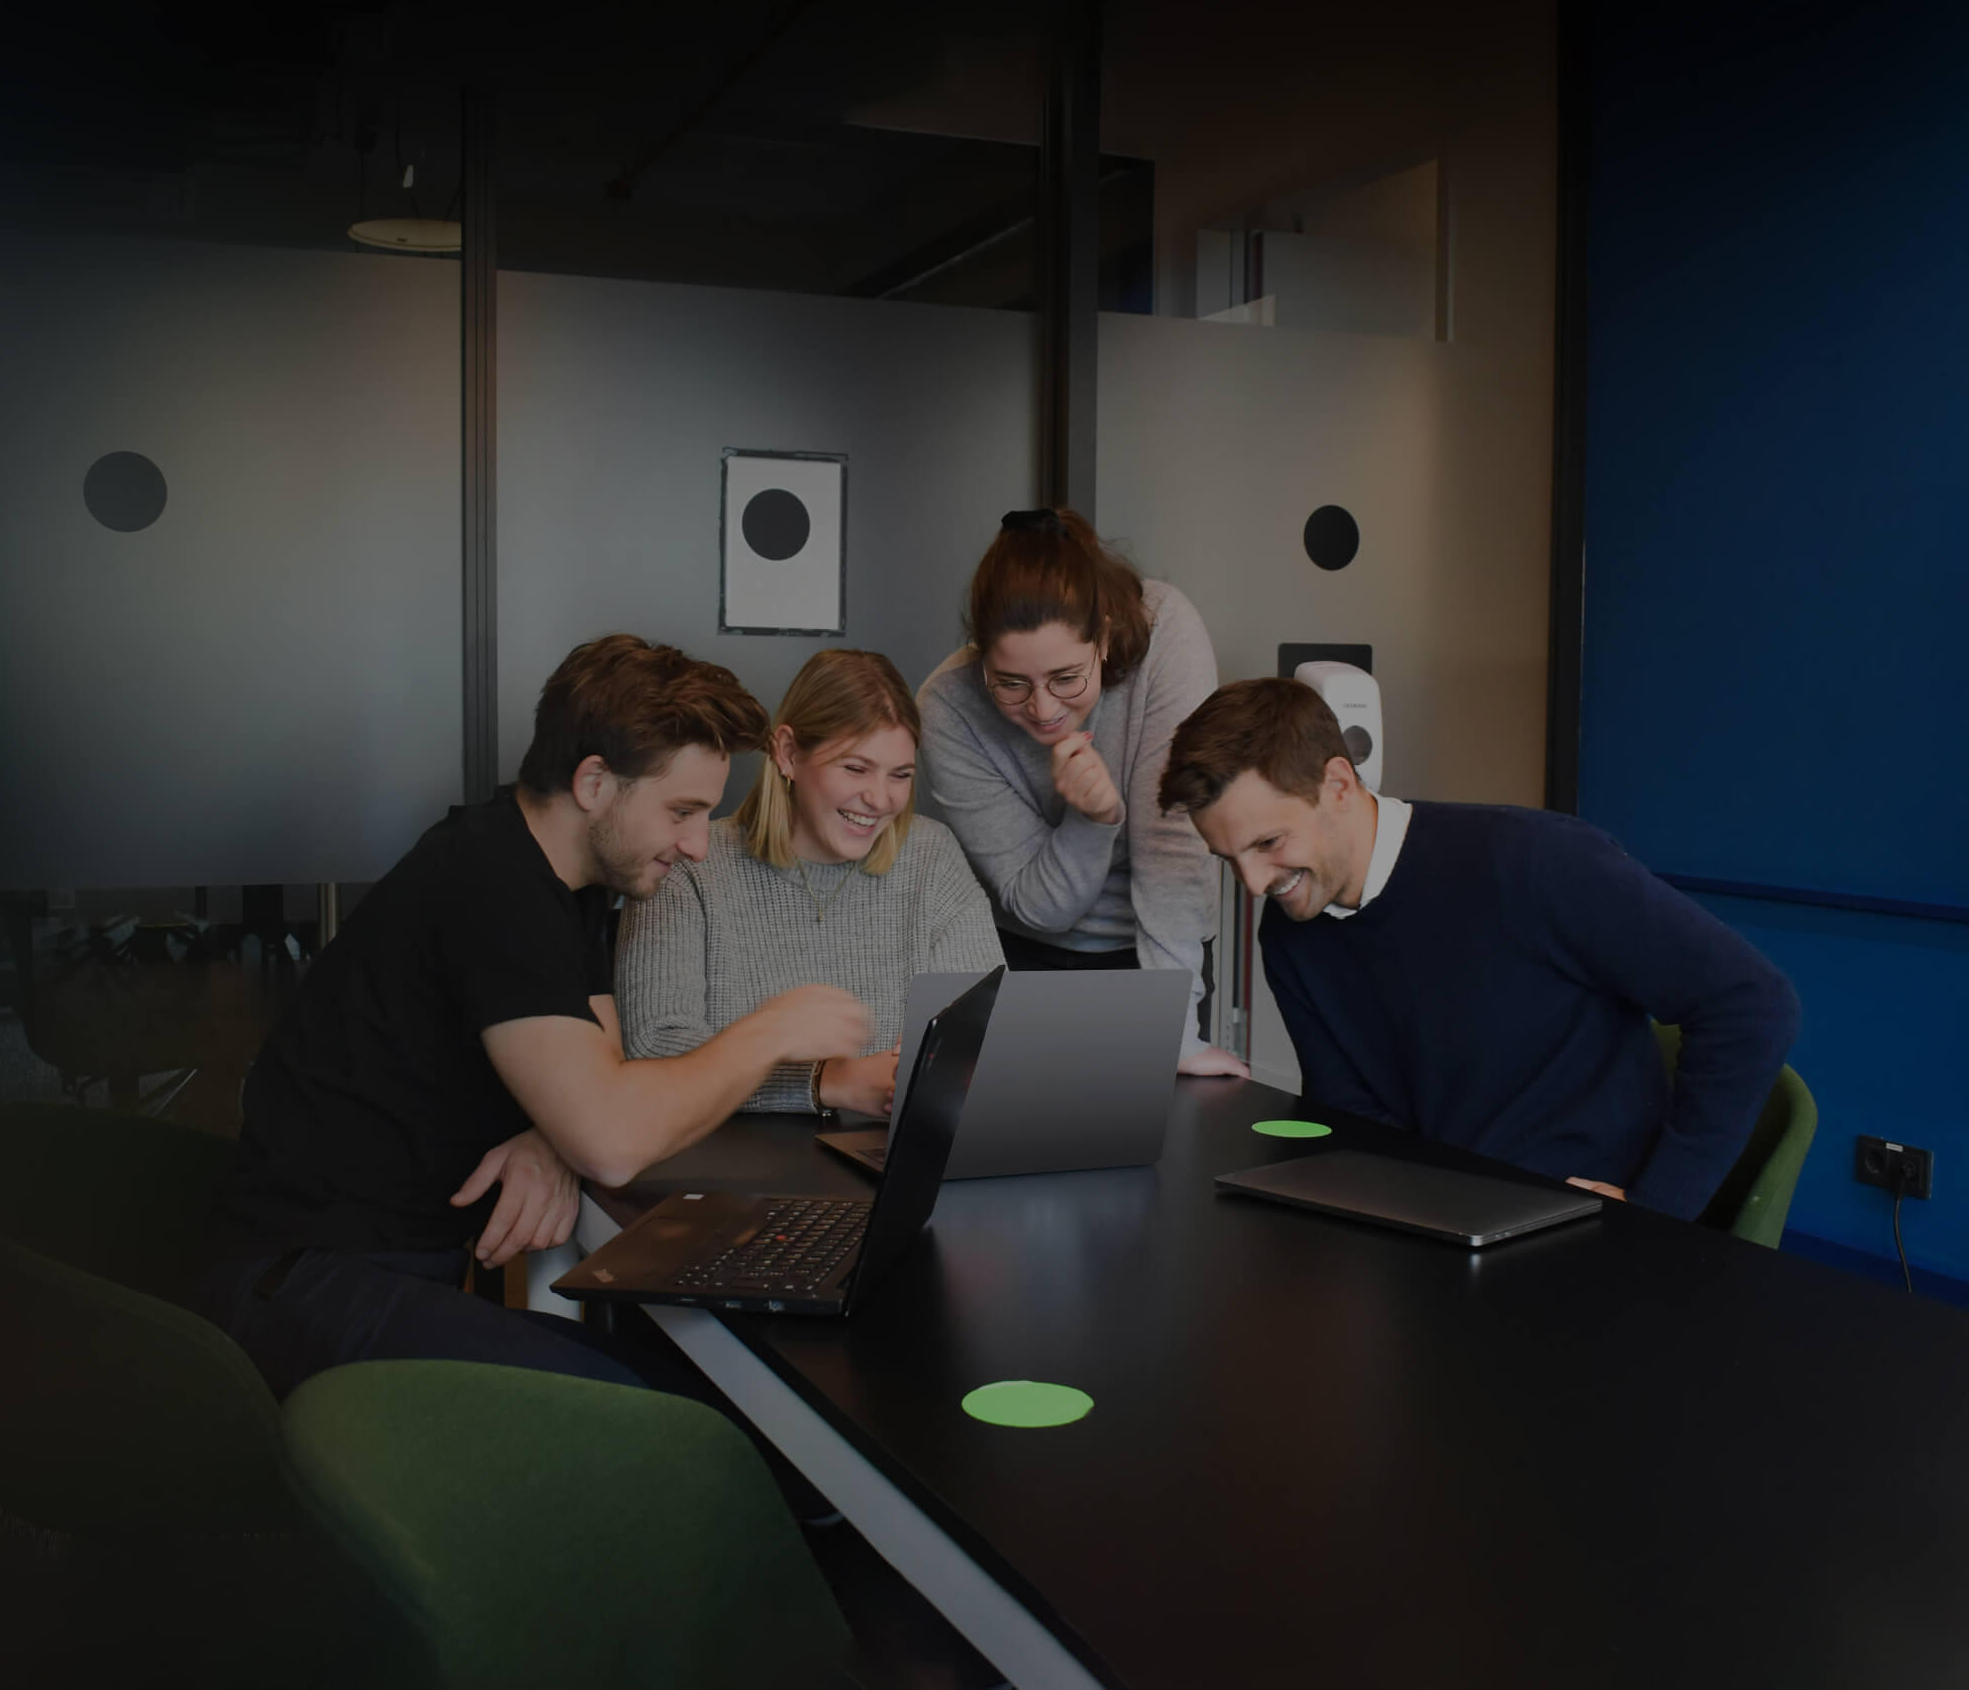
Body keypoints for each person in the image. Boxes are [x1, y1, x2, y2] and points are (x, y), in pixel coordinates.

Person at [199, 634, 873, 1399]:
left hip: (368, 1274)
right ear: (593, 781)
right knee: (681, 1414)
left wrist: (556, 1130)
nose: (696, 845)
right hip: (300, 1289)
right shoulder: (493, 882)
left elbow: (604, 1070)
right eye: (682, 811)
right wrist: (772, 1030)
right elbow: (613, 1142)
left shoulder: (558, 873)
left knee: (686, 1389)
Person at [1155, 676, 1801, 1218]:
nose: (1254, 883)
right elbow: (1353, 1121)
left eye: (1268, 843)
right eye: (1228, 858)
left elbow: (1751, 1004)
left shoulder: (1532, 860)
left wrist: (1656, 1208)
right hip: (1448, 1227)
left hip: (1588, 1229)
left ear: (1339, 785)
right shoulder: (1291, 933)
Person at [915, 507, 1244, 1075]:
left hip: (1164, 956)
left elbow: (1173, 852)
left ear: (1106, 637)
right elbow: (1040, 906)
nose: (1043, 709)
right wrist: (1094, 819)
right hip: (1025, 957)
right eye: (1010, 683)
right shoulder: (948, 708)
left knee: (1166, 1123)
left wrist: (1174, 1033)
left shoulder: (1167, 632)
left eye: (1066, 678)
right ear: (980, 655)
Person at [616, 648, 1003, 1120]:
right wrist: (827, 1081)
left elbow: (988, 1035)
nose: (879, 799)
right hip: (725, 1153)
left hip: (882, 1148)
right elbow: (654, 1048)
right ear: (788, 753)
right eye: (855, 768)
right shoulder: (688, 864)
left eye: (900, 775)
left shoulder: (931, 856)